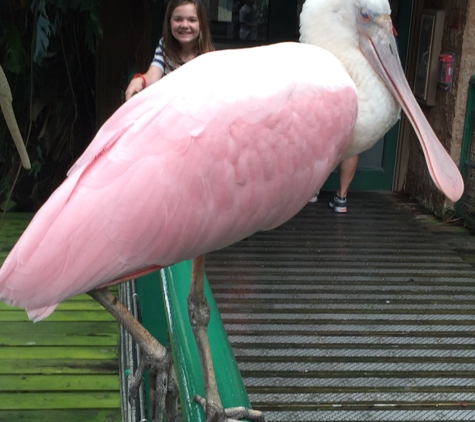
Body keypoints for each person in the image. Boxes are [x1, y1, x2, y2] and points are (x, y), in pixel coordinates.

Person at [125, 0, 214, 101]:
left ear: (201, 24)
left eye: (192, 20)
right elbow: (153, 76)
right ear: (169, 22)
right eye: (178, 19)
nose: (184, 25)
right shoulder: (165, 47)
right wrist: (141, 80)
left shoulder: (209, 58)